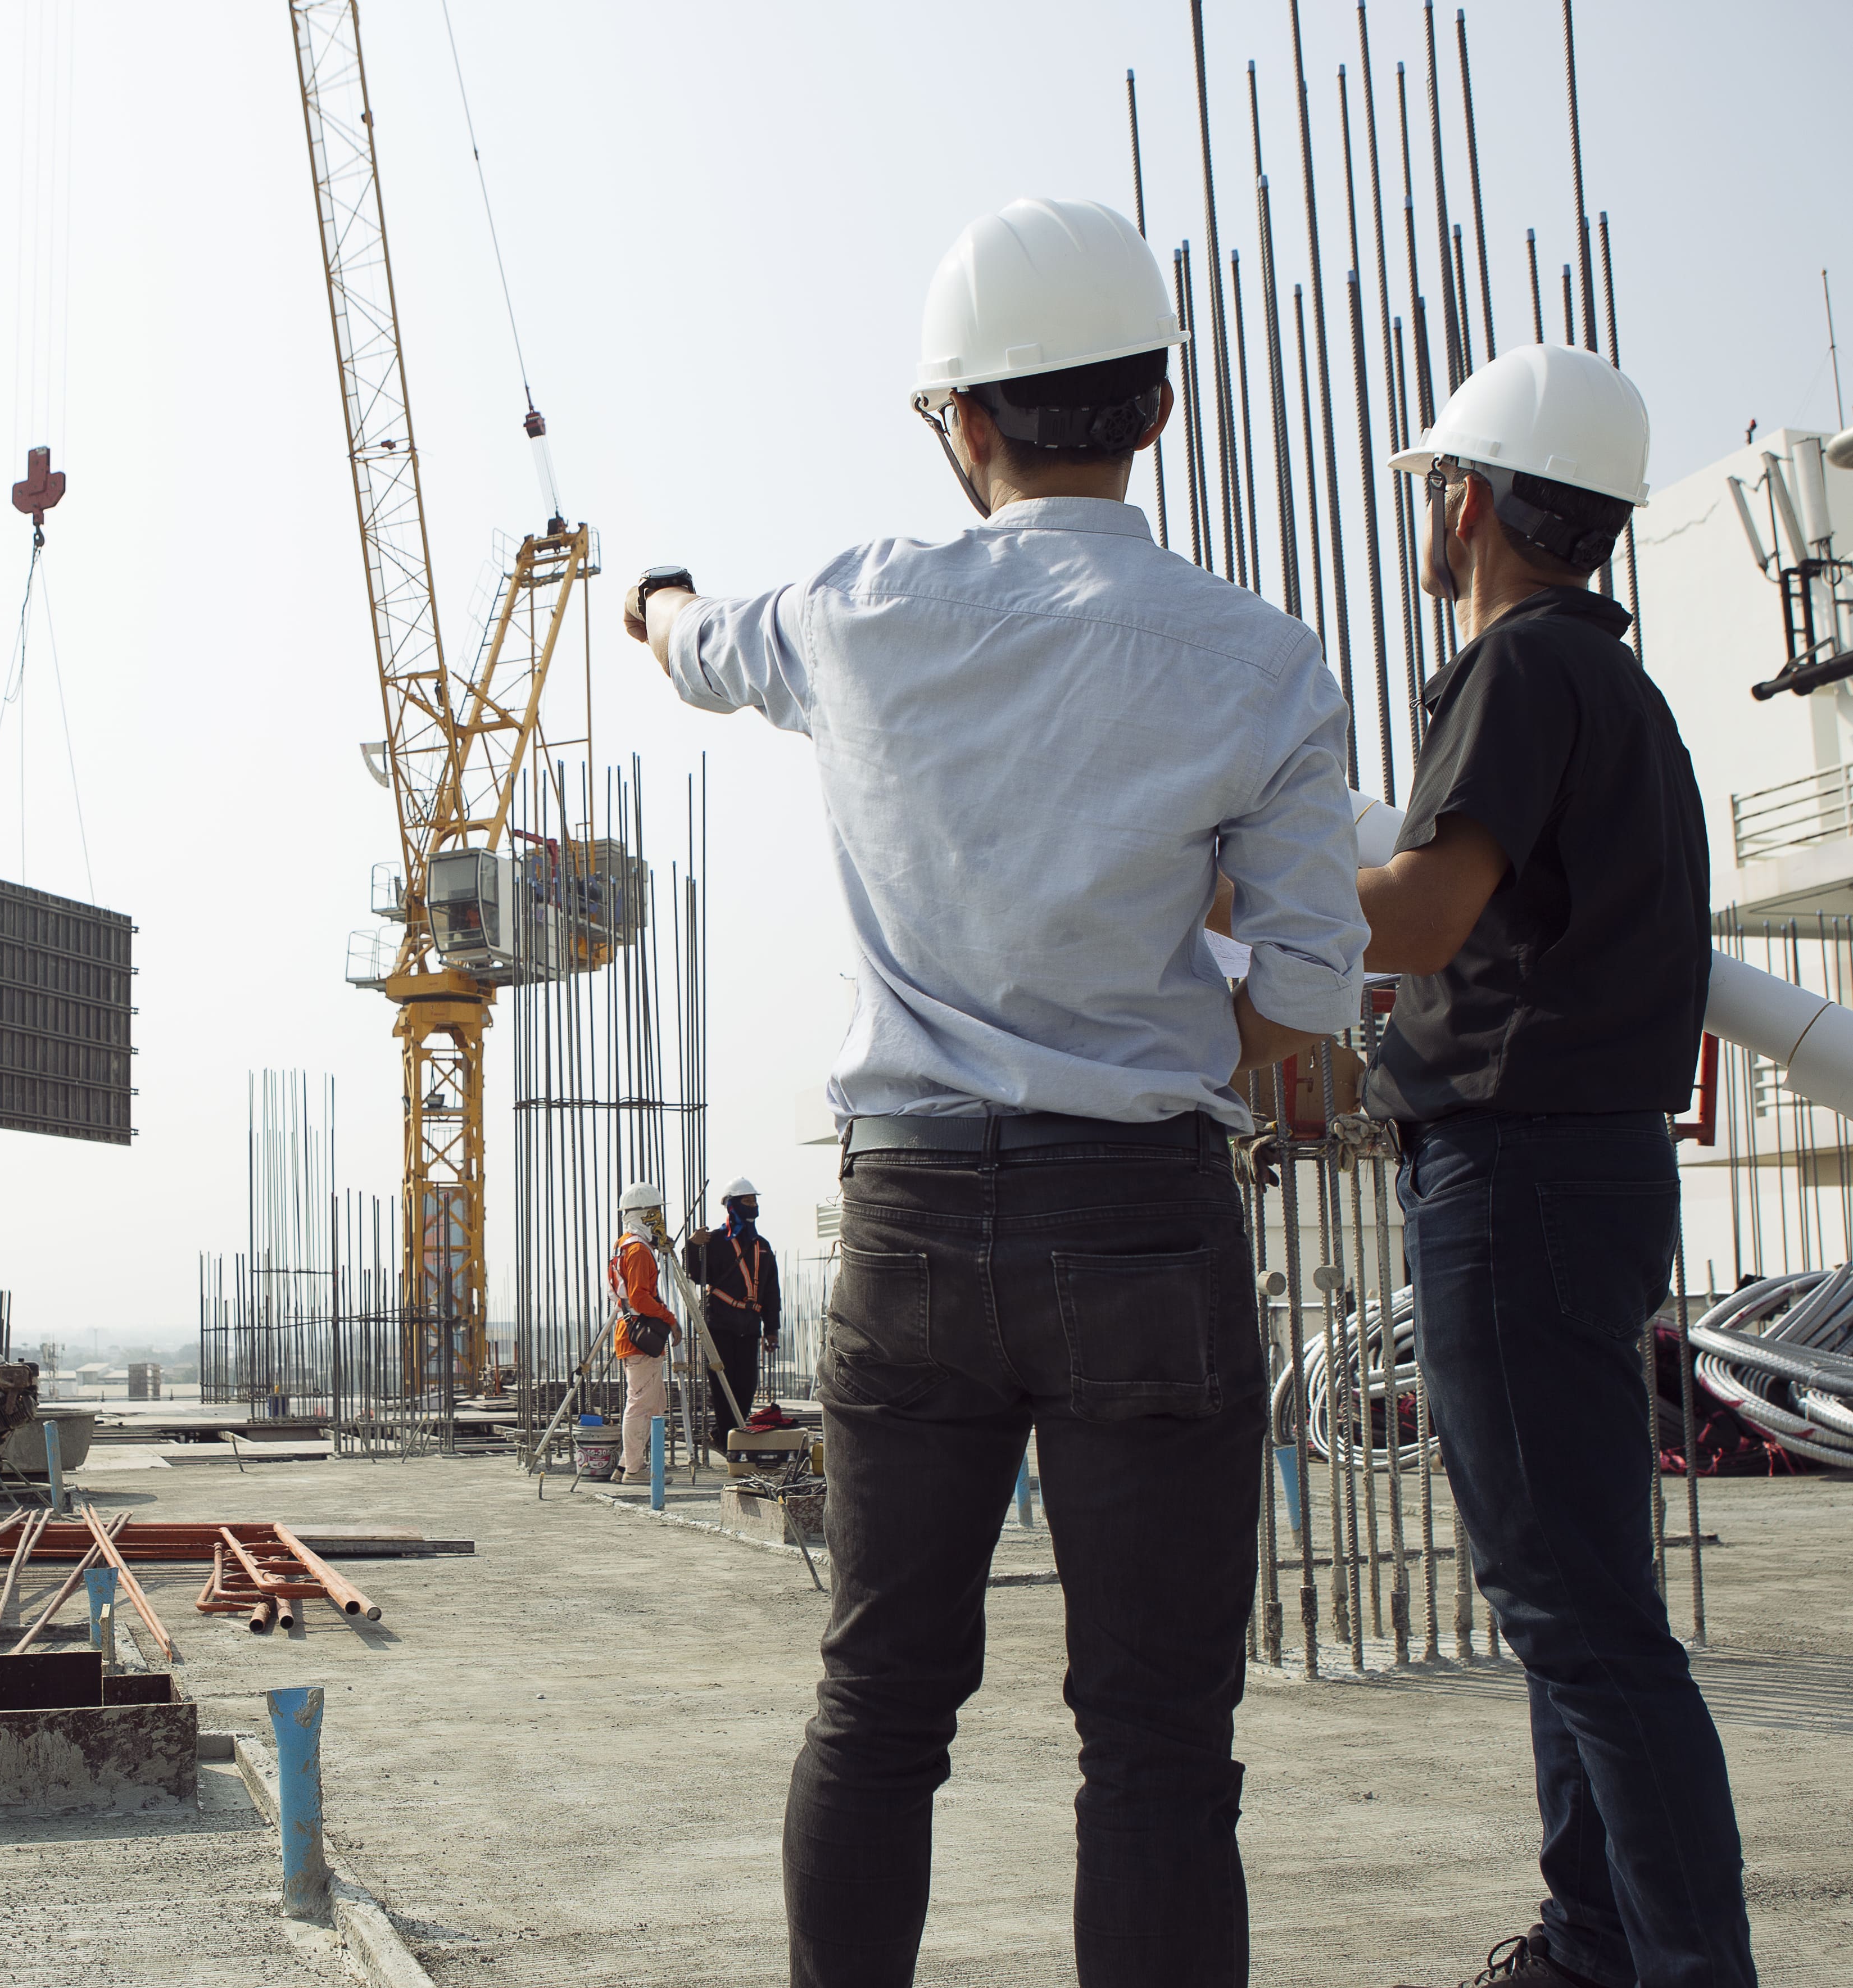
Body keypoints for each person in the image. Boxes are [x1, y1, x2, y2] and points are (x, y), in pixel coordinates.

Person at [632, 197, 1367, 1987]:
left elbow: (694, 646)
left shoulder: (857, 609)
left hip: (912, 1223)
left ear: (958, 417)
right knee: (1158, 1744)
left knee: (879, 1703)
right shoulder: (1260, 658)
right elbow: (1303, 1007)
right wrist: (1155, 1003)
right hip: (1144, 1226)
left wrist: (652, 599)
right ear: (1157, 408)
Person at [1359, 346, 1751, 1988]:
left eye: (1435, 490)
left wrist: (1219, 900)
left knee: (1581, 1620)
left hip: (1513, 1176)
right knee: (1574, 1597)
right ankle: (1592, 1945)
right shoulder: (1618, 689)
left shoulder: (1516, 671)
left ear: (1468, 500)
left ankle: (1682, 1964)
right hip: (1581, 1173)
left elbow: (1423, 916)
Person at [682, 1175, 783, 1453]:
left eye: (754, 1201)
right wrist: (693, 1246)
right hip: (720, 1324)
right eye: (746, 1201)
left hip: (749, 1326)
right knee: (722, 1385)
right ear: (732, 1206)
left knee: (747, 1386)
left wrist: (772, 1329)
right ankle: (728, 1440)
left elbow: (772, 1292)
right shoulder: (715, 1241)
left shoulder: (762, 1246)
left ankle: (727, 1435)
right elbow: (696, 1275)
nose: (752, 1206)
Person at [607, 1181, 678, 1486]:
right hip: (640, 1333)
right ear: (645, 1214)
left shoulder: (626, 1245)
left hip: (633, 1331)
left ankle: (627, 1464)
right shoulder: (638, 1251)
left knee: (655, 1403)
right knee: (640, 1404)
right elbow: (639, 1297)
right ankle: (635, 1471)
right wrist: (670, 1320)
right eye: (656, 1212)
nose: (660, 1218)